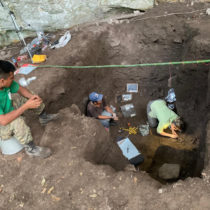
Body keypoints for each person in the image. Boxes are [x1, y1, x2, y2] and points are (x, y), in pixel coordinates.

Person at [0, 60, 58, 158]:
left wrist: (32, 97)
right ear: (2, 81)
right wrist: (26, 106)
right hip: (2, 126)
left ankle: (44, 118)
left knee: (29, 96)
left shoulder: (5, 85)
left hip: (9, 110)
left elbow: (21, 89)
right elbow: (4, 121)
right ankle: (31, 149)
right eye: (11, 78)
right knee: (18, 122)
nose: (13, 79)